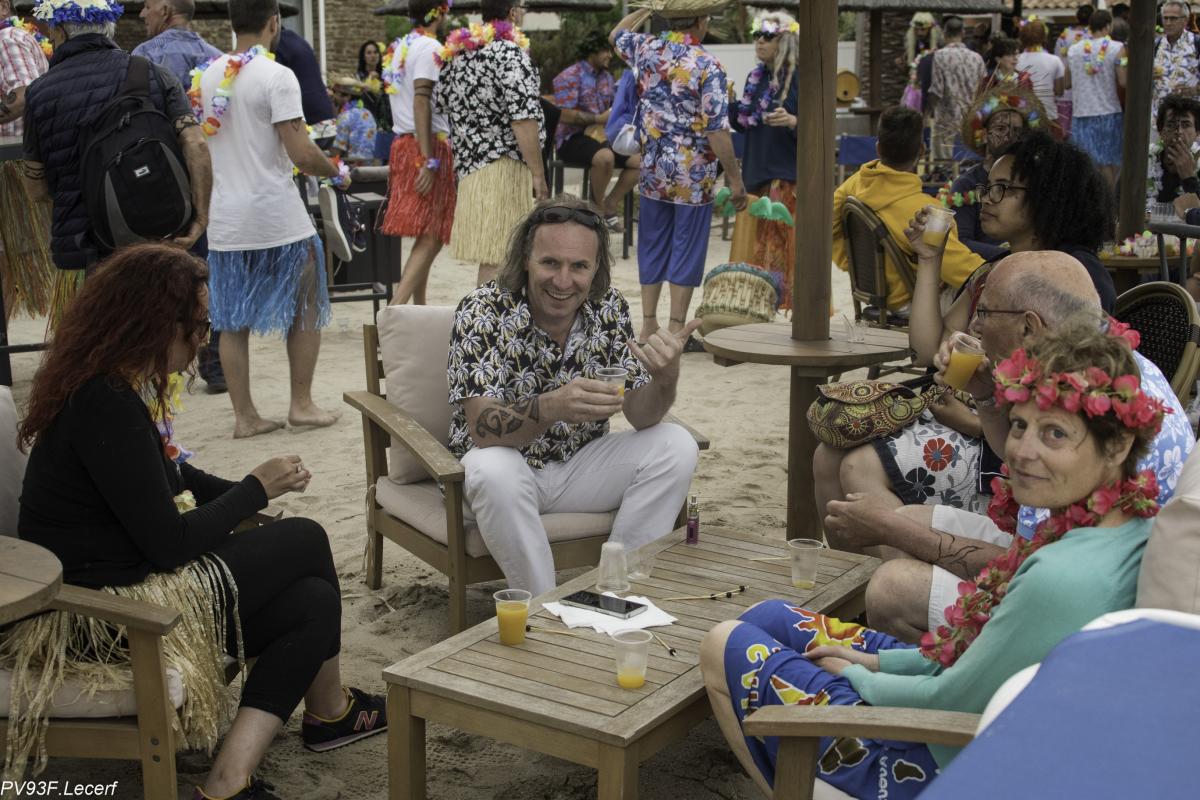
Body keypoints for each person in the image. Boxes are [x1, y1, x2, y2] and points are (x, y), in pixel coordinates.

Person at [702, 316, 1167, 799]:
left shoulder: (1061, 576)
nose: (1022, 451)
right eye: (1020, 424)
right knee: (769, 617)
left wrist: (859, 675)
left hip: (937, 761)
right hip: (965, 702)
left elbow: (952, 700)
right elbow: (970, 658)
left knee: (722, 643)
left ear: (1118, 445)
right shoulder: (1120, 527)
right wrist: (873, 661)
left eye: (1054, 434)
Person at [3, 244, 385, 800]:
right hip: (101, 614)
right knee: (307, 539)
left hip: (126, 581)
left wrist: (249, 493)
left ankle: (229, 780)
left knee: (313, 601)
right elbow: (170, 543)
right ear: (156, 323)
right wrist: (254, 489)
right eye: (199, 324)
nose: (204, 338)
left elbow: (175, 475)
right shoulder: (103, 402)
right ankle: (331, 710)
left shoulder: (111, 387)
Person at [825, 256, 1193, 645]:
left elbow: (1032, 571)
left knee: (893, 586)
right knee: (908, 520)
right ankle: (911, 651)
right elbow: (1019, 465)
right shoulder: (1102, 365)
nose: (974, 326)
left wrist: (890, 529)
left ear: (1029, 326)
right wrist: (986, 394)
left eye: (984, 312)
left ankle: (938, 666)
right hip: (1062, 560)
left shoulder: (1092, 401)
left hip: (1089, 614)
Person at [819, 132, 1126, 548]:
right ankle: (847, 579)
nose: (987, 198)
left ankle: (897, 578)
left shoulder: (1070, 277)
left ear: (1047, 196)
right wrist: (929, 258)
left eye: (1003, 188)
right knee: (827, 455)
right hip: (963, 413)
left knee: (859, 466)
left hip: (1007, 445)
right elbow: (927, 350)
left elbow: (1069, 399)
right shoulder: (997, 268)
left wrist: (975, 421)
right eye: (988, 187)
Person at [447, 197, 700, 596]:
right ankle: (541, 605)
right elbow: (482, 429)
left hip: (580, 467)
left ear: (596, 268)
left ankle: (619, 590)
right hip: (504, 473)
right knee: (492, 468)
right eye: (550, 263)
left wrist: (665, 379)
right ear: (525, 260)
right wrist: (551, 406)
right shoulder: (483, 309)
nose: (563, 282)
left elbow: (641, 415)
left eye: (579, 266)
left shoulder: (609, 308)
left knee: (677, 444)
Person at [198, 0, 343, 438]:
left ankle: (245, 416)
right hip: (276, 214)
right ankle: (302, 404)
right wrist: (335, 170)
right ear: (274, 22)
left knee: (231, 319)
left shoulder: (207, 76)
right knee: (305, 302)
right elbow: (302, 153)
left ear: (231, 23)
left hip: (227, 217)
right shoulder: (278, 76)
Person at [20, 0, 210, 271]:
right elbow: (196, 144)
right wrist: (200, 219)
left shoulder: (39, 94)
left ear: (60, 31)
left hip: (88, 249)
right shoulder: (152, 72)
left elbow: (35, 189)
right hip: (165, 236)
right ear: (109, 27)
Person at [610, 7, 747, 347]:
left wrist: (646, 9)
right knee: (687, 245)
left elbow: (615, 35)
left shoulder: (647, 49)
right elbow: (716, 129)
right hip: (693, 173)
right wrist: (735, 178)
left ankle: (647, 325)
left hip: (653, 167)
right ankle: (675, 329)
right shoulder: (707, 64)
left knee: (652, 241)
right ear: (701, 21)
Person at [132, 0, 227, 393]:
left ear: (166, 9)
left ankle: (167, 362)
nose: (142, 14)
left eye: (147, 6)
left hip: (164, 184)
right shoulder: (219, 60)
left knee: (166, 271)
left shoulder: (142, 60)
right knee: (210, 271)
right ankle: (216, 363)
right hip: (215, 180)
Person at [436, 0, 546, 288]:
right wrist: (538, 174)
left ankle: (489, 313)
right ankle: (488, 315)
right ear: (512, 13)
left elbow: (440, 103)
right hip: (503, 166)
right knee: (501, 254)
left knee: (494, 253)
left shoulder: (458, 55)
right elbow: (523, 119)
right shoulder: (510, 53)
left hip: (470, 170)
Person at [832, 105, 983, 313]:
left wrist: (854, 265)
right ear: (922, 150)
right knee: (983, 293)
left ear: (878, 148)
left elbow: (829, 227)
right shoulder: (922, 209)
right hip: (914, 304)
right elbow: (962, 269)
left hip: (877, 295)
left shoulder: (854, 184)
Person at [380, 0, 455, 306]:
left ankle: (418, 308)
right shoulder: (430, 47)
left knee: (426, 230)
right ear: (440, 11)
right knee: (433, 233)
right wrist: (429, 159)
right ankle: (395, 310)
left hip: (405, 144)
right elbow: (421, 100)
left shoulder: (400, 47)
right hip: (424, 146)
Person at [732, 11, 799, 311]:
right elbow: (745, 122)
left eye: (768, 36)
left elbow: (821, 124)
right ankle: (762, 307)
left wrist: (794, 120)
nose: (760, 40)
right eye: (757, 35)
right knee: (758, 248)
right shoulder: (755, 78)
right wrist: (729, 103)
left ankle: (781, 308)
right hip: (756, 175)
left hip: (783, 176)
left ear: (784, 40)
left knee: (779, 249)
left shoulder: (799, 77)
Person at [551, 31, 640, 230]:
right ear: (591, 52)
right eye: (605, 51)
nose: (609, 55)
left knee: (641, 162)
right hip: (572, 138)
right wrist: (597, 119)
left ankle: (610, 205)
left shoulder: (607, 78)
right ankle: (596, 211)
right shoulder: (570, 75)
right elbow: (563, 114)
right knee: (605, 157)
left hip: (601, 136)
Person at [944, 84, 1044, 260]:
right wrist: (1012, 256)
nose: (1009, 137)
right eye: (1000, 129)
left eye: (1016, 131)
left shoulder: (1033, 178)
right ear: (983, 135)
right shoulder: (966, 184)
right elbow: (961, 241)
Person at [0, 0, 53, 324]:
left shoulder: (7, 40)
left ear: (4, 7)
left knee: (10, 259)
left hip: (14, 168)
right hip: (16, 166)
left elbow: (24, 95)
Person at [1065, 10, 1126, 189]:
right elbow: (1123, 81)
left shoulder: (1073, 50)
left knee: (1084, 166)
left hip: (1081, 114)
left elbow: (1067, 83)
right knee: (1107, 164)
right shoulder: (1118, 48)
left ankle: (1087, 202)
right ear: (1108, 26)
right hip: (1109, 113)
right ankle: (1108, 203)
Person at [927, 16, 985, 161]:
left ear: (944, 34)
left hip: (946, 120)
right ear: (963, 33)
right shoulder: (977, 58)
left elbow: (937, 90)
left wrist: (927, 114)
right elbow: (983, 90)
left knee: (944, 165)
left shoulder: (940, 56)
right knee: (970, 162)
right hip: (971, 120)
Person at [133, 0, 221, 89]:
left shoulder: (145, 53)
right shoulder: (219, 58)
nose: (142, 14)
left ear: (165, 11)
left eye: (147, 7)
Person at [1152, 1, 1200, 126]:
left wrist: (1195, 90)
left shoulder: (1196, 44)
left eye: (1173, 18)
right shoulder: (1156, 45)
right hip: (1159, 119)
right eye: (1165, 18)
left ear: (1185, 20)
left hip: (1190, 120)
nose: (1168, 23)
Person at [273, 26, 333, 125]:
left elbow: (276, 86)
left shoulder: (279, 44)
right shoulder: (296, 39)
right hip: (323, 113)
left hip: (309, 117)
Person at [1149, 93, 1200, 208]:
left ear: (1197, 133)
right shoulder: (1142, 161)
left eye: (1186, 125)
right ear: (1161, 131)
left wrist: (1189, 178)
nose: (1179, 132)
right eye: (1171, 125)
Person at [1017, 18, 1064, 133]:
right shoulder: (1054, 60)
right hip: (1048, 116)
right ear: (1044, 37)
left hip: (1021, 116)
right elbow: (1059, 91)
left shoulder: (1015, 61)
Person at [1054, 4, 1094, 139]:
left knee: (1063, 134)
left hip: (1064, 93)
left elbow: (1058, 61)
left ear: (1077, 18)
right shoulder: (1091, 37)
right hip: (1083, 93)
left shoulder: (1063, 36)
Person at [328, 76, 377, 164]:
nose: (334, 96)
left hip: (353, 165)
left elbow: (337, 150)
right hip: (370, 164)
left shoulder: (345, 116)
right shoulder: (367, 113)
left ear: (347, 97)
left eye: (335, 93)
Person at [354, 38, 391, 133]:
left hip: (386, 124)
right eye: (369, 53)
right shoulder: (358, 78)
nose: (373, 56)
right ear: (363, 57)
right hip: (365, 124)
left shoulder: (386, 75)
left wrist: (382, 82)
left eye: (375, 52)